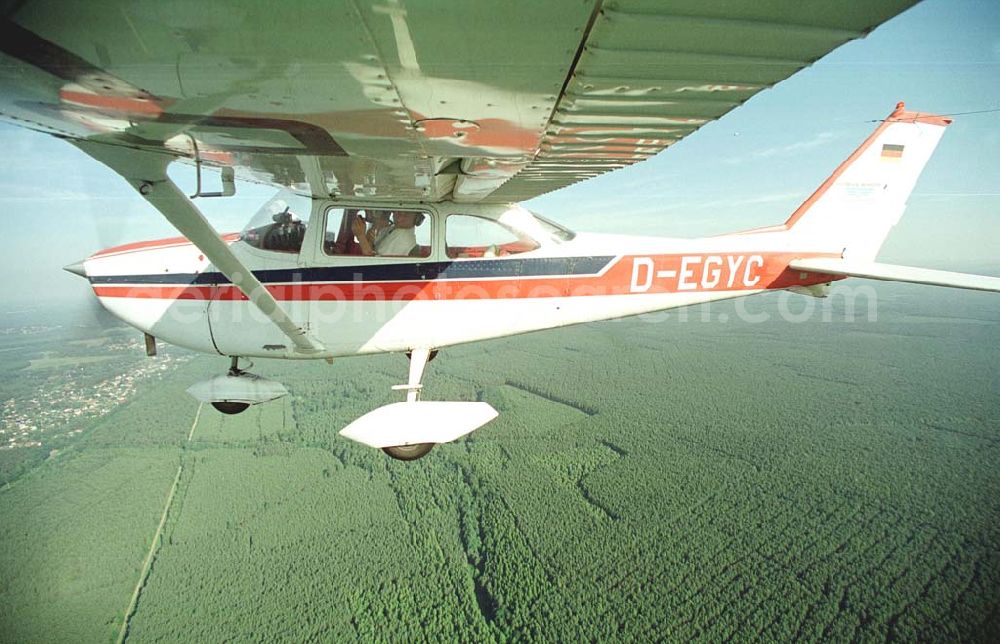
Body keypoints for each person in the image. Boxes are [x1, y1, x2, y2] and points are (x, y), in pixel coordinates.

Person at [352, 210, 424, 256]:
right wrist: (369, 240)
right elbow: (373, 251)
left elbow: (375, 263)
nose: (399, 217)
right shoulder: (392, 229)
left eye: (405, 214)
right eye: (398, 211)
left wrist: (361, 236)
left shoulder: (404, 238)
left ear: (417, 219)